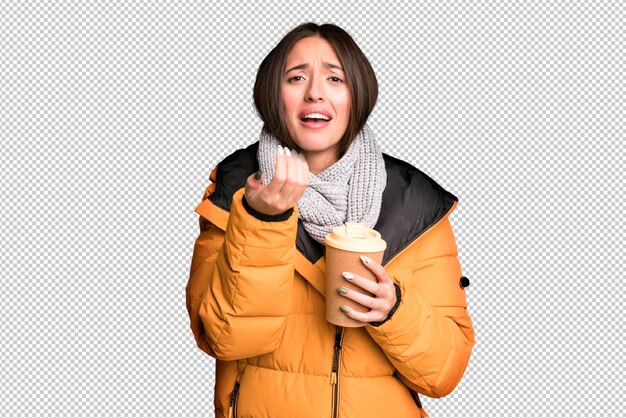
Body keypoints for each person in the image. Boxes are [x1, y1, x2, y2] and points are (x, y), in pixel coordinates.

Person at [186, 22, 475, 418]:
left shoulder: (416, 204)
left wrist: (394, 310)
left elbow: (444, 374)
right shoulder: (238, 189)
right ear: (274, 94)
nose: (315, 92)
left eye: (334, 78)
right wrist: (262, 221)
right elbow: (225, 338)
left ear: (357, 94)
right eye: (296, 77)